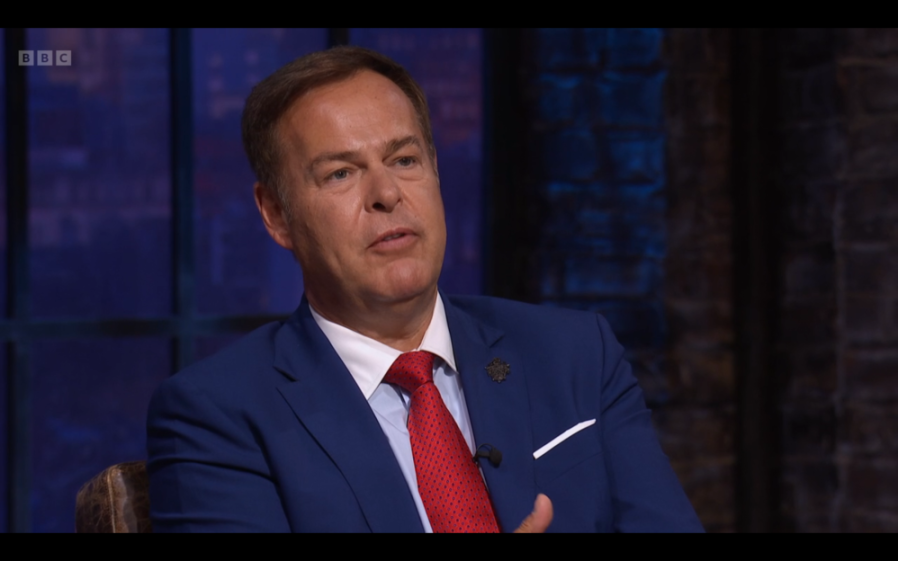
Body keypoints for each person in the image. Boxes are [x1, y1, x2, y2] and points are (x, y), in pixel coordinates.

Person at [146, 46, 704, 533]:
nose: (387, 193)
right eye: (341, 173)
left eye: (404, 159)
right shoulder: (217, 414)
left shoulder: (575, 354)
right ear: (276, 214)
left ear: (435, 170)